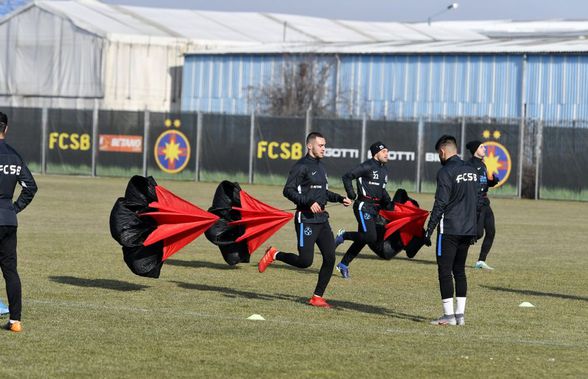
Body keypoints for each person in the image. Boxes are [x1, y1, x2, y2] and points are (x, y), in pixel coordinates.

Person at [258, 132, 351, 308]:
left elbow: (323, 193)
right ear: (310, 146)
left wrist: (340, 198)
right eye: (321, 145)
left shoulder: (321, 167)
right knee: (305, 262)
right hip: (305, 219)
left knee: (330, 257)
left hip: (322, 220)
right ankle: (274, 254)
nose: (324, 148)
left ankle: (317, 297)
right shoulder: (300, 167)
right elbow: (288, 190)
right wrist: (308, 202)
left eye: (325, 145)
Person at [423, 135, 479, 326]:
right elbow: (478, 201)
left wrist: (429, 229)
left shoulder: (446, 171)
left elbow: (440, 203)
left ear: (442, 151)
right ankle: (460, 316)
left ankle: (448, 316)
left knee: (445, 271)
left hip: (449, 229)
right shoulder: (471, 170)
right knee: (460, 271)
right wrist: (475, 229)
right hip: (468, 229)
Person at [0, 111, 37, 333]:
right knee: (10, 270)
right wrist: (13, 208)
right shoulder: (14, 156)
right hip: (7, 219)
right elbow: (30, 187)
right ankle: (15, 321)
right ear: (7, 128)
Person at [334, 141, 393, 278]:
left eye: (387, 151)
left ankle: (343, 264)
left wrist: (389, 203)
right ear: (376, 153)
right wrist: (351, 194)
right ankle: (343, 235)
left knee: (364, 239)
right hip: (363, 206)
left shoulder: (384, 170)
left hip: (375, 208)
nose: (387, 154)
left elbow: (382, 190)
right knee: (370, 237)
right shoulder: (367, 165)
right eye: (384, 151)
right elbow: (347, 176)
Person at [466, 140, 499, 270]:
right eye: (481, 147)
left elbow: (484, 183)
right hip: (476, 204)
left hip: (485, 203)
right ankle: (457, 252)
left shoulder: (482, 164)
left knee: (491, 231)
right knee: (478, 234)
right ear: (475, 150)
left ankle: (481, 261)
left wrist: (492, 181)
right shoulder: (469, 165)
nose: (484, 148)